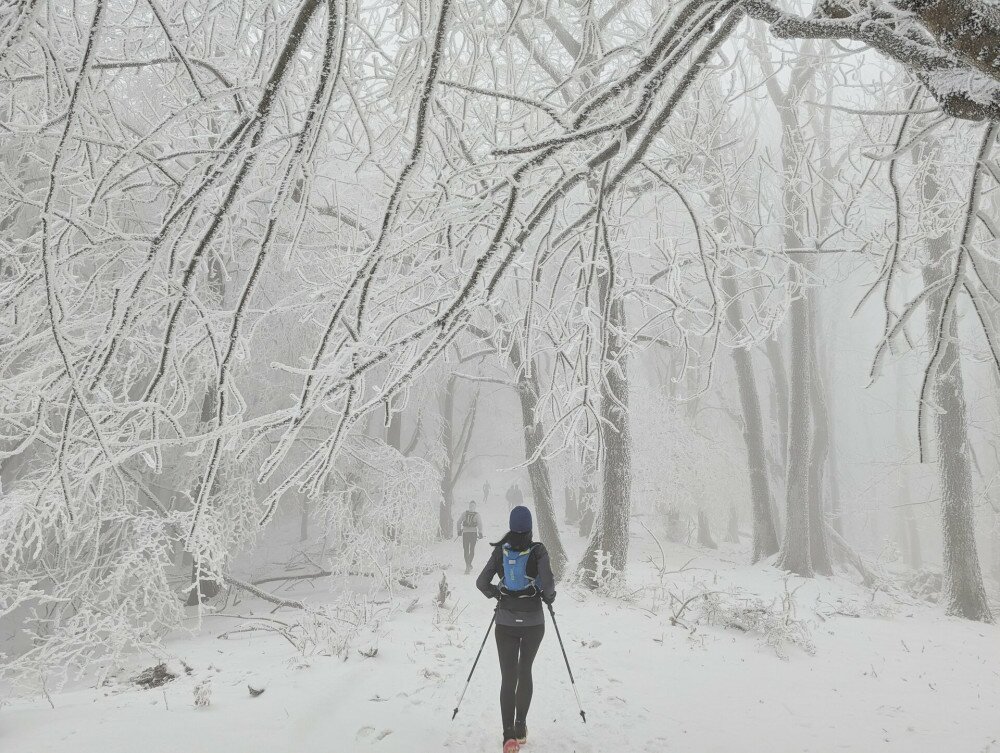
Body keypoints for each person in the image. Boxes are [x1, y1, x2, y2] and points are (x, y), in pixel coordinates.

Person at [476, 505, 556, 753]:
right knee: (525, 670)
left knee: (508, 677)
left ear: (511, 526)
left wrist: (497, 594)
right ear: (530, 527)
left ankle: (508, 736)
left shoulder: (501, 550)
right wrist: (549, 597)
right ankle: (520, 727)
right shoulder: (538, 550)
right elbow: (549, 583)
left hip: (505, 623)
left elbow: (481, 582)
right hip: (534, 623)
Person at [456, 501, 483, 574]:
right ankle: (469, 565)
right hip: (473, 534)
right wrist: (480, 532)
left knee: (466, 550)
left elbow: (458, 522)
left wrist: (459, 531)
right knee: (472, 549)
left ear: (469, 506)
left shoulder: (464, 513)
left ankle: (467, 566)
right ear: (475, 507)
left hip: (465, 533)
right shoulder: (477, 515)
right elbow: (480, 524)